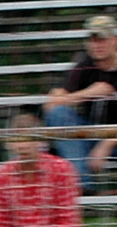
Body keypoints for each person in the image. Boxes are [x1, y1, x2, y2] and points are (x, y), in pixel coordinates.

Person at [43, 14, 117, 194]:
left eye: (101, 40)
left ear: (114, 40)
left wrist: (108, 143)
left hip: (112, 140)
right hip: (90, 134)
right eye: (92, 40)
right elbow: (51, 104)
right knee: (58, 115)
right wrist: (90, 93)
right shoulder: (85, 65)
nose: (96, 45)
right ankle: (83, 186)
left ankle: (81, 187)